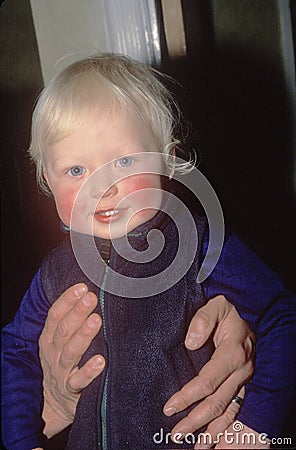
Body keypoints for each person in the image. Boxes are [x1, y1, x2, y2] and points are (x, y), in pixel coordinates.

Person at [2, 53, 296, 450]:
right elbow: (16, 350)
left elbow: (281, 317)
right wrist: (20, 439)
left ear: (168, 161)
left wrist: (257, 424)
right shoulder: (54, 272)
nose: (103, 188)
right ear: (45, 181)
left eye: (123, 161)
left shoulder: (199, 243)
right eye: (75, 170)